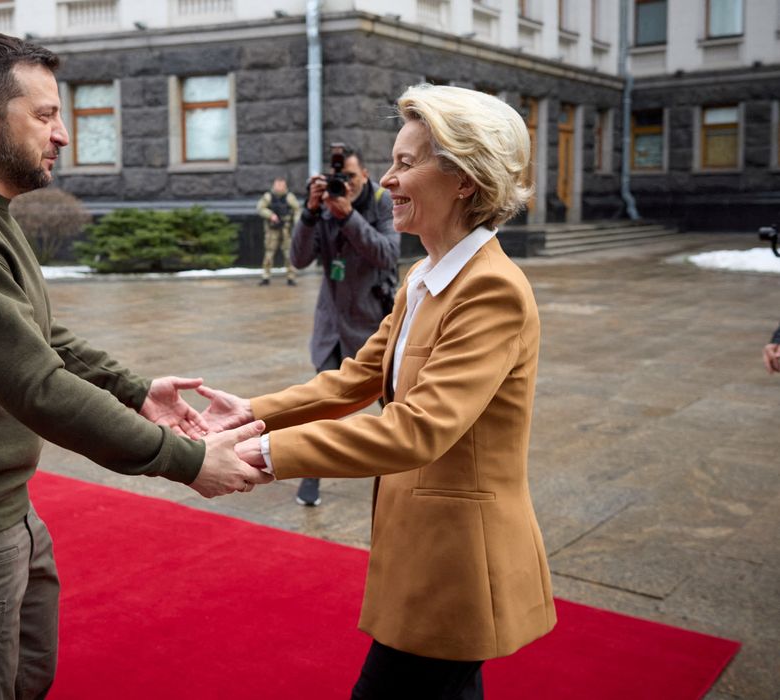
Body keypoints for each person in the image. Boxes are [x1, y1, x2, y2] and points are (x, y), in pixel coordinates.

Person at [0, 32, 270, 700]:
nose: (64, 136)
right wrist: (187, 461)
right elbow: (39, 387)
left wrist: (136, 390)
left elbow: (42, 336)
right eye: (47, 115)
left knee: (26, 680)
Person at [199, 84, 556, 698]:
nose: (386, 179)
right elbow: (357, 378)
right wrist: (251, 413)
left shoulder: (491, 289)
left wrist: (267, 455)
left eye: (406, 163)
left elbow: (417, 428)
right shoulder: (425, 274)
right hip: (420, 548)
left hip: (458, 562)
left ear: (466, 180)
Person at [289, 145, 400, 507]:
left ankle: (405, 472)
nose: (344, 185)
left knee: (393, 403)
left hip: (373, 321)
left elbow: (387, 253)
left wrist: (349, 215)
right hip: (332, 322)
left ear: (365, 175)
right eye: (339, 179)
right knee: (320, 402)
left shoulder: (382, 202)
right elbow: (299, 258)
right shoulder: (323, 206)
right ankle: (310, 476)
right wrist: (310, 213)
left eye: (350, 177)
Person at [256, 176, 302, 286]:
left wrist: (296, 223)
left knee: (288, 253)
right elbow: (260, 208)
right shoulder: (268, 196)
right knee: (269, 253)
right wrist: (271, 215)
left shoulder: (289, 197)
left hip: (286, 228)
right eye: (278, 184)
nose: (279, 187)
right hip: (272, 229)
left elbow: (297, 209)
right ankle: (266, 277)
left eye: (282, 185)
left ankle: (291, 277)